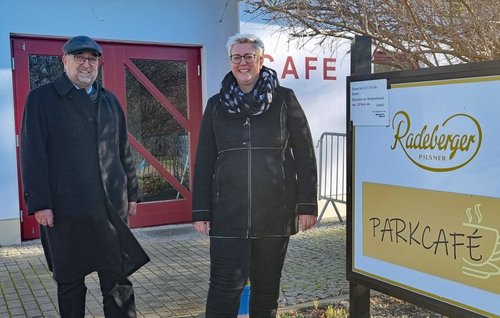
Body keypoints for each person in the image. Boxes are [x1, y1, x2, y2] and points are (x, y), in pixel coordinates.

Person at [20, 35, 150, 318]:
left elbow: (122, 149)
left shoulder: (109, 100)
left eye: (92, 59)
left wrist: (131, 193)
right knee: (70, 283)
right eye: (79, 58)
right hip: (66, 211)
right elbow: (32, 155)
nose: (86, 64)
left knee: (118, 280)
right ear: (64, 60)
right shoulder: (42, 99)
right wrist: (40, 203)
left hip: (110, 210)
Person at [192, 33, 318, 318]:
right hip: (228, 214)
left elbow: (305, 153)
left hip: (275, 212)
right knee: (224, 287)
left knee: (266, 288)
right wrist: (201, 210)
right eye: (237, 57)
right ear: (230, 62)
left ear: (261, 60)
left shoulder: (285, 100)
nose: (243, 62)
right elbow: (204, 159)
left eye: (249, 56)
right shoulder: (216, 105)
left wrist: (307, 205)